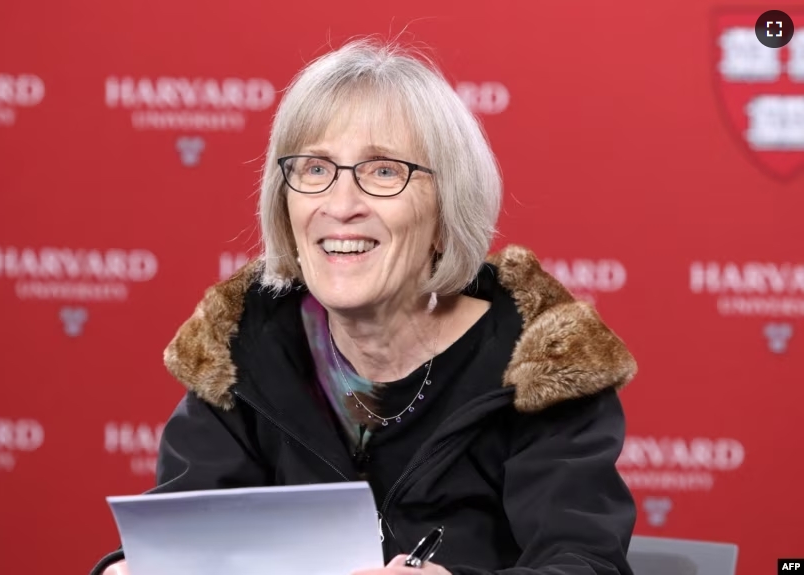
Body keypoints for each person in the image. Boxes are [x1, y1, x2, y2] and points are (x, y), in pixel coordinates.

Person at [95, 37, 638, 575]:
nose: (340, 205)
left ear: (446, 214)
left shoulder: (543, 366)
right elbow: (182, 546)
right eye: (314, 169)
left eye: (383, 171)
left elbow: (587, 565)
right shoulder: (243, 349)